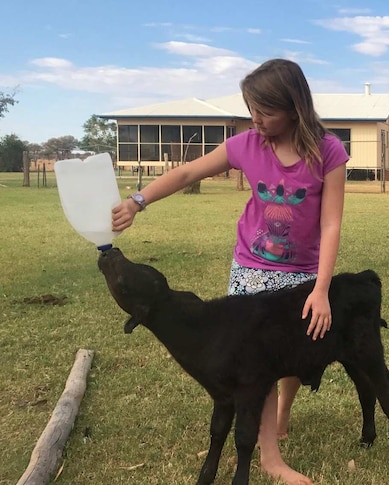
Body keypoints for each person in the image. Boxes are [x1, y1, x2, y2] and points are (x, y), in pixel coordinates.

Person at [112, 58, 349, 485]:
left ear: (294, 107)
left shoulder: (328, 152)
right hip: (252, 271)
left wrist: (322, 290)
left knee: (294, 360)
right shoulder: (247, 145)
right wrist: (137, 201)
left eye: (265, 112)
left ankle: (284, 409)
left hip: (303, 274)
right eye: (251, 110)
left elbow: (331, 222)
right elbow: (187, 171)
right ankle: (271, 460)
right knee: (255, 365)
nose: (256, 121)